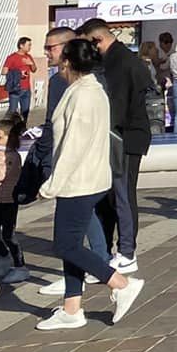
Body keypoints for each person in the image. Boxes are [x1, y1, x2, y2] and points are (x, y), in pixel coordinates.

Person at [38, 37, 147, 331]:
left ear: (68, 63)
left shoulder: (83, 94)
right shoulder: (90, 90)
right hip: (89, 178)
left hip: (79, 181)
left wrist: (52, 183)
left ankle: (120, 283)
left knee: (65, 244)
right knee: (71, 244)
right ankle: (72, 307)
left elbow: (74, 145)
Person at [77, 20, 153, 273]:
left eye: (89, 45)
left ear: (97, 40)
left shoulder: (120, 62)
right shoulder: (118, 59)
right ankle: (113, 249)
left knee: (123, 194)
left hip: (126, 136)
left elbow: (117, 107)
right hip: (124, 134)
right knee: (113, 196)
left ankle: (127, 251)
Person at [0, 120, 28, 281]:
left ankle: (20, 265)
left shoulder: (12, 156)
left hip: (8, 200)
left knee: (9, 234)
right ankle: (4, 256)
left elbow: (1, 175)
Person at [3, 37, 37, 121]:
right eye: (28, 45)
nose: (30, 47)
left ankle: (22, 129)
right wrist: (18, 73)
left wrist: (31, 63)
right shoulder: (12, 57)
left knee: (25, 112)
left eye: (30, 45)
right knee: (12, 112)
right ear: (21, 45)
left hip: (27, 89)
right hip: (16, 88)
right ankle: (10, 129)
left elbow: (34, 69)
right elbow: (4, 71)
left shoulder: (28, 57)